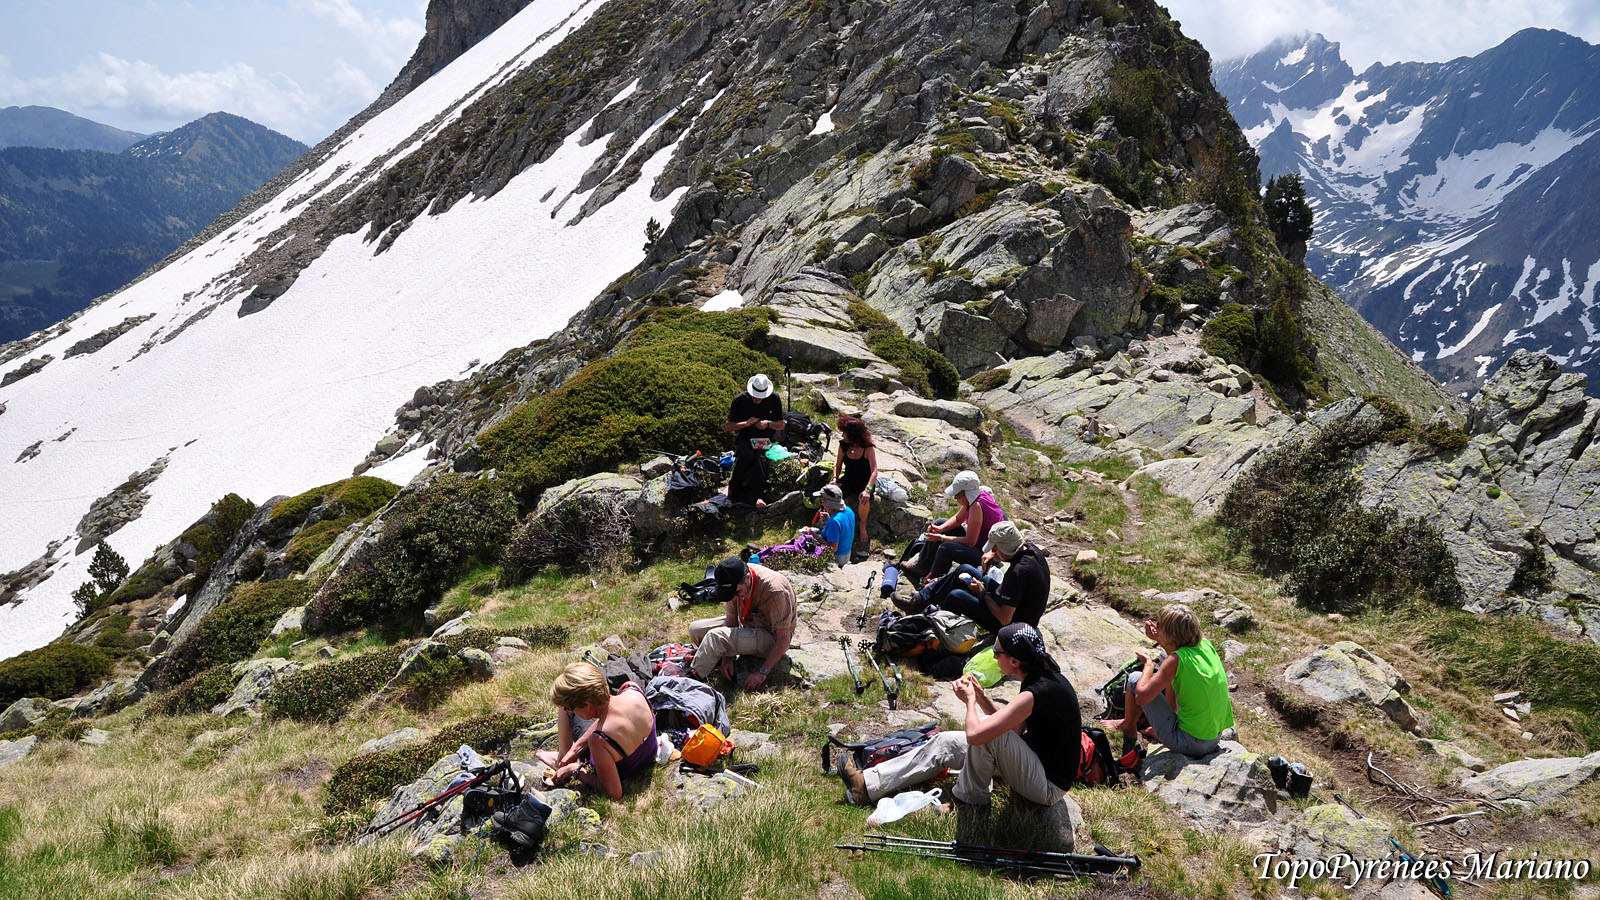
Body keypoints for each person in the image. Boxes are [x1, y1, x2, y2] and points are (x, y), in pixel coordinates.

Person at [839, 623, 1080, 807]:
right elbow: (1016, 728)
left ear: (1015, 660)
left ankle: (969, 800)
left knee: (986, 732)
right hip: (1032, 761)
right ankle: (867, 785)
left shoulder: (1036, 692)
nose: (993, 656)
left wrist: (970, 701)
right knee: (944, 742)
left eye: (996, 651)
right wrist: (982, 696)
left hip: (1047, 786)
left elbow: (976, 736)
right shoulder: (1039, 677)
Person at [1102, 604, 1234, 758]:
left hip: (1190, 744)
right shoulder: (1205, 645)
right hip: (1213, 738)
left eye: (1160, 625)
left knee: (1134, 679)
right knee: (1171, 667)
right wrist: (1161, 638)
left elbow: (1142, 697)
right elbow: (1175, 656)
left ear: (1171, 635)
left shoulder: (1175, 661)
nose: (1156, 627)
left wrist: (1149, 666)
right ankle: (1162, 728)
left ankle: (1128, 726)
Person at [535, 662, 659, 801]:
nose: (571, 710)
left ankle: (560, 759)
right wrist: (574, 751)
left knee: (562, 708)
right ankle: (565, 755)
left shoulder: (599, 740)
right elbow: (608, 718)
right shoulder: (632, 689)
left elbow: (614, 793)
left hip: (614, 762)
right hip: (647, 755)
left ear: (587, 705)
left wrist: (576, 770)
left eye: (571, 708)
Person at [903, 521, 1049, 631]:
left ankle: (931, 628)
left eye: (995, 548)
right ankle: (918, 602)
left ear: (1005, 548)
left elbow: (1004, 619)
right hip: (1013, 607)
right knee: (964, 569)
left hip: (1013, 625)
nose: (993, 550)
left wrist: (983, 594)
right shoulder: (1031, 549)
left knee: (956, 596)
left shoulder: (1018, 572)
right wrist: (993, 554)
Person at [688, 557, 796, 691]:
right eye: (729, 594)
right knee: (695, 629)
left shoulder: (775, 591)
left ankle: (691, 681)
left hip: (771, 637)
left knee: (715, 637)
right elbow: (731, 620)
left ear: (748, 578)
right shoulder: (734, 578)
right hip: (749, 623)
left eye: (737, 593)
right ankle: (714, 658)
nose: (734, 598)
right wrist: (728, 658)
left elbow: (783, 638)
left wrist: (762, 672)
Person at [901, 470, 1006, 582]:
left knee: (946, 548)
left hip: (987, 553)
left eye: (958, 495)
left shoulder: (976, 506)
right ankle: (922, 567)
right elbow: (958, 519)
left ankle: (933, 581)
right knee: (940, 522)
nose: (955, 498)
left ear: (967, 493)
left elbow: (970, 541)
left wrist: (941, 538)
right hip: (979, 542)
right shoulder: (975, 497)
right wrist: (940, 529)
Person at [725, 373, 783, 509]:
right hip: (745, 438)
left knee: (760, 458)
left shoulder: (774, 399)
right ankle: (734, 490)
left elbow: (781, 424)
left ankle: (757, 497)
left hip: (765, 438)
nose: (758, 399)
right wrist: (746, 423)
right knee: (746, 455)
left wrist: (768, 424)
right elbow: (728, 427)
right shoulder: (740, 400)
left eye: (761, 396)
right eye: (756, 396)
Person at [833, 415, 878, 561]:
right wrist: (835, 479)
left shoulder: (867, 448)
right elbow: (838, 466)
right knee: (832, 493)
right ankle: (833, 523)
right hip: (849, 478)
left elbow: (874, 471)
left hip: (864, 481)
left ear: (852, 435)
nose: (842, 436)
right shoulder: (843, 445)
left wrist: (868, 490)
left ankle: (862, 525)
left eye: (844, 433)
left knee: (863, 500)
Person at [814, 484, 856, 567]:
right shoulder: (849, 510)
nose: (822, 504)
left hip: (837, 558)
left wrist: (814, 536)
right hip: (847, 554)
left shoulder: (834, 522)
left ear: (829, 503)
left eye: (822, 502)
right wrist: (829, 519)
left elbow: (832, 548)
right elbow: (842, 529)